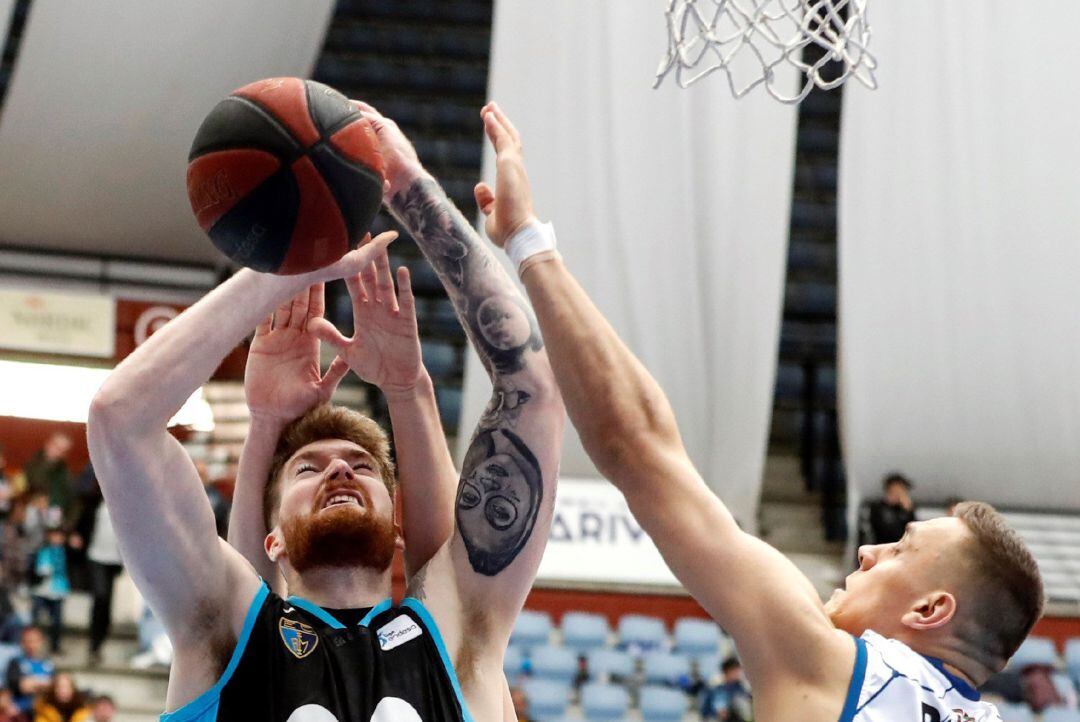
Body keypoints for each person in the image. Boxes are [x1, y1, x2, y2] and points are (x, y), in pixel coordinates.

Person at [469, 101, 1045, 721]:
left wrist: (529, 241)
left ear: (930, 611)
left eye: (900, 549)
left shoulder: (839, 669)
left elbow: (636, 446)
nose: (867, 553)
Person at [88, 106, 564, 722]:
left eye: (364, 465)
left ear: (399, 526)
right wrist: (283, 270)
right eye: (308, 469)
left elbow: (536, 394)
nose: (340, 469)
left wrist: (410, 189)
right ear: (273, 538)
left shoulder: (457, 635)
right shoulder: (225, 634)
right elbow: (118, 418)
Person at [29, 528, 69, 654]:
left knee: (57, 621)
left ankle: (55, 646)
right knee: (35, 620)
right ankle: (31, 643)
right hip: (41, 590)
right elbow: (40, 569)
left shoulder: (66, 552)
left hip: (58, 590)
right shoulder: (43, 551)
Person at [4, 627, 53, 715]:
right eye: (28, 641)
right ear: (22, 643)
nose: (32, 645)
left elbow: (52, 687)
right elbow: (23, 686)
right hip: (19, 711)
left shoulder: (48, 664)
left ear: (41, 642)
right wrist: (43, 683)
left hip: (44, 710)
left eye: (35, 641)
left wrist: (33, 682)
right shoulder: (15, 662)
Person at [23, 436, 72, 520]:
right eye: (57, 447)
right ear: (49, 444)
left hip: (54, 510)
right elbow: (30, 482)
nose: (59, 452)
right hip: (31, 507)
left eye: (63, 450)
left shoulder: (63, 470)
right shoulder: (32, 463)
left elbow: (65, 492)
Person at [864, 473, 917, 545]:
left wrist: (908, 512)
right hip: (883, 548)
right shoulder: (878, 508)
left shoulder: (905, 509)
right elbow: (886, 532)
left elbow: (913, 531)